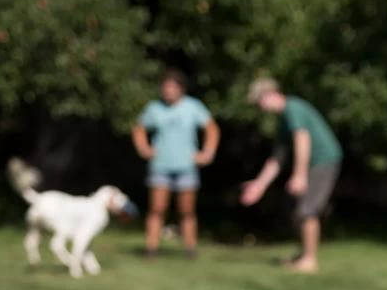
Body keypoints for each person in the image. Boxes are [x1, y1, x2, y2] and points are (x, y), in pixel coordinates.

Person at [241, 78, 342, 273]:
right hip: (312, 165)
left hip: (323, 161)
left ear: (270, 94)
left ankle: (310, 260)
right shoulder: (284, 119)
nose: (259, 107)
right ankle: (303, 254)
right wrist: (259, 184)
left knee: (307, 210)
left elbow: (302, 139)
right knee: (295, 209)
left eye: (259, 101)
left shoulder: (293, 108)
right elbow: (277, 158)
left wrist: (300, 174)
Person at [132, 69, 220, 258]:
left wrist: (207, 152)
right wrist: (144, 148)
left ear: (181, 89)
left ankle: (190, 249)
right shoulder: (154, 108)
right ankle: (151, 248)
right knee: (157, 209)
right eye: (166, 88)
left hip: (186, 166)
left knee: (187, 210)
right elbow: (139, 128)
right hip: (160, 166)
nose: (169, 91)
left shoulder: (193, 107)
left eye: (173, 88)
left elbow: (212, 128)